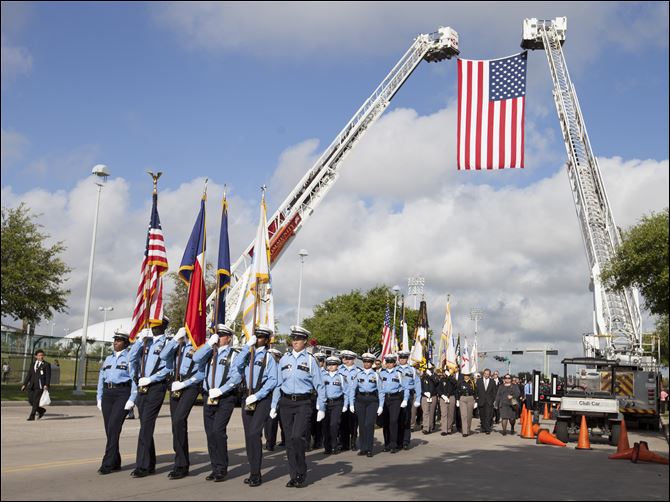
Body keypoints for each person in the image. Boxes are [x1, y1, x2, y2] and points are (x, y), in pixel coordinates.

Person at [271, 326, 325, 488]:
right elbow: (278, 384)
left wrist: (321, 406)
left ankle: (302, 471)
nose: (295, 341)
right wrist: (274, 405)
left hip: (303, 403)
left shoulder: (310, 360)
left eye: (299, 339)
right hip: (286, 403)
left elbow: (320, 385)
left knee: (297, 437)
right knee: (289, 441)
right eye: (293, 339)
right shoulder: (284, 359)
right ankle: (294, 475)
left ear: (305, 342)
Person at [193, 325, 242, 482]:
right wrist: (208, 344)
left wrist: (221, 390)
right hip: (209, 397)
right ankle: (215, 467)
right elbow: (195, 358)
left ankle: (222, 468)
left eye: (221, 335)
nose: (218, 337)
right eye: (217, 335)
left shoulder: (234, 355)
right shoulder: (209, 353)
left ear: (228, 337)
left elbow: (236, 378)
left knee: (218, 431)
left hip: (225, 398)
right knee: (210, 434)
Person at [128, 317, 173, 478]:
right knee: (144, 425)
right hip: (142, 387)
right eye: (152, 325)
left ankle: (142, 466)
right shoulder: (145, 342)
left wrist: (152, 379)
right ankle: (150, 462)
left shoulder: (167, 344)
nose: (153, 328)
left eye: (156, 325)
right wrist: (140, 340)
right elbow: (131, 359)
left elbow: (169, 368)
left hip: (156, 387)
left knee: (146, 424)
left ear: (163, 326)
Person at [159, 326, 207, 480]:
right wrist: (175, 339)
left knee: (179, 419)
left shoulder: (199, 347)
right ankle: (181, 463)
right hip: (175, 386)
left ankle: (181, 464)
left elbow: (201, 373)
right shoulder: (177, 345)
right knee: (176, 425)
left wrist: (185, 384)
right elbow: (163, 356)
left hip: (190, 386)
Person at [237, 326, 278, 488]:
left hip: (261, 398)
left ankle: (256, 473)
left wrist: (258, 395)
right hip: (247, 397)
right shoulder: (247, 354)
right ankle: (253, 470)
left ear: (266, 340)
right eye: (256, 336)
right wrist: (247, 346)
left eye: (261, 337)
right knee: (249, 436)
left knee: (254, 433)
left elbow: (273, 380)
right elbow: (236, 367)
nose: (258, 339)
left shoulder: (269, 357)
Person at [95, 329, 137, 474]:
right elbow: (101, 378)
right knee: (109, 429)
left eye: (118, 340)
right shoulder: (108, 358)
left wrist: (132, 399)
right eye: (115, 340)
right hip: (108, 394)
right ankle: (116, 461)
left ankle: (107, 463)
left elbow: (134, 380)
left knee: (113, 427)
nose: (115, 343)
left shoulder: (131, 357)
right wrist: (99, 396)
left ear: (126, 343)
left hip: (122, 394)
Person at [349, 352, 383, 457]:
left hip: (372, 400)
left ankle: (369, 448)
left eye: (369, 361)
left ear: (372, 363)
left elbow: (381, 391)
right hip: (360, 400)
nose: (366, 363)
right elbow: (352, 389)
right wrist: (351, 403)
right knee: (362, 425)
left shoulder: (376, 375)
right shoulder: (358, 374)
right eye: (365, 361)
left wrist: (381, 405)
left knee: (369, 424)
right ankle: (363, 448)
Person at [379, 353, 409, 453]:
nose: (389, 364)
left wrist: (405, 399)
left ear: (394, 363)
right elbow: (379, 389)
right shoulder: (381, 374)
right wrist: (380, 404)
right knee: (386, 422)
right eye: (387, 362)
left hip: (395, 398)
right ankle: (386, 444)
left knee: (393, 421)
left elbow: (405, 387)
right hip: (385, 399)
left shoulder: (399, 373)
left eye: (391, 362)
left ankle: (393, 444)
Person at [322, 356, 348, 455]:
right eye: (329, 364)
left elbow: (346, 392)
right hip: (326, 403)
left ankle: (334, 446)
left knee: (334, 425)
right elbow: (320, 391)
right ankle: (327, 447)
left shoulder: (341, 377)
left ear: (337, 365)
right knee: (325, 425)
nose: (331, 366)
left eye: (333, 364)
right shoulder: (323, 376)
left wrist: (345, 405)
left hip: (337, 403)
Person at [396, 351, 421, 449]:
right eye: (400, 358)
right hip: (397, 395)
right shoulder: (395, 369)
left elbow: (417, 384)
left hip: (409, 395)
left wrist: (418, 398)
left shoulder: (412, 370)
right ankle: (398, 441)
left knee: (406, 418)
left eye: (404, 358)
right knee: (398, 418)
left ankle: (406, 441)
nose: (402, 360)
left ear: (407, 359)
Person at [338, 350, 360, 451]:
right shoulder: (339, 370)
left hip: (354, 399)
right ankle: (344, 443)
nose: (346, 360)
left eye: (349, 358)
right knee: (343, 422)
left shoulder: (358, 371)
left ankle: (353, 442)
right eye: (345, 358)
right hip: (342, 399)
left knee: (353, 423)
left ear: (353, 359)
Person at [21, 349, 51, 421]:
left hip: (40, 386)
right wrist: (24, 384)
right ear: (36, 356)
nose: (41, 357)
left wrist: (46, 384)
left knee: (36, 401)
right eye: (39, 355)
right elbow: (29, 374)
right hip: (32, 385)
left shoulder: (46, 364)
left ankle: (32, 416)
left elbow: (48, 376)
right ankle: (41, 410)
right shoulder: (33, 364)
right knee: (31, 400)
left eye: (42, 355)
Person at [264, 347, 285, 451]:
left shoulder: (280, 368)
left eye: (273, 356)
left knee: (278, 421)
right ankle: (269, 441)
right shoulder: (268, 367)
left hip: (279, 397)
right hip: (268, 395)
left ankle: (274, 442)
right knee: (268, 421)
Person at [308, 352, 327, 451]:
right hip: (310, 397)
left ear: (323, 362)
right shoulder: (310, 371)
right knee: (308, 421)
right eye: (317, 361)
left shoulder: (326, 373)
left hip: (319, 398)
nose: (318, 363)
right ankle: (307, 443)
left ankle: (318, 441)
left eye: (320, 361)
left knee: (318, 422)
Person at [437, 368, 458, 435]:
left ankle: (449, 429)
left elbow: (455, 383)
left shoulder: (452, 380)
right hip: (443, 398)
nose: (444, 374)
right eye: (444, 372)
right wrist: (442, 395)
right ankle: (444, 430)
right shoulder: (441, 380)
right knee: (444, 414)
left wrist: (449, 376)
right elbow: (438, 389)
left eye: (446, 372)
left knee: (450, 414)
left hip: (451, 397)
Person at [475, 368, 497, 435]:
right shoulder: (478, 381)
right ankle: (483, 427)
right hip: (481, 401)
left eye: (488, 374)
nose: (486, 375)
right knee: (482, 415)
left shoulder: (492, 381)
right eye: (485, 374)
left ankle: (487, 429)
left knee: (488, 415)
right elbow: (476, 391)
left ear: (489, 374)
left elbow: (494, 392)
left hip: (489, 401)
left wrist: (493, 400)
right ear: (483, 374)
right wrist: (477, 399)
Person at [420, 364, 439, 434]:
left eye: (431, 369)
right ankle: (425, 428)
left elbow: (437, 382)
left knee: (431, 413)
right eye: (428, 369)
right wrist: (424, 392)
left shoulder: (435, 376)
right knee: (425, 412)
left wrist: (431, 375)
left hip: (433, 396)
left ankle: (430, 427)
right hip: (425, 397)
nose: (429, 370)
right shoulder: (423, 377)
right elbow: (420, 386)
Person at [457, 371, 476, 436]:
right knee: (464, 415)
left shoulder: (472, 382)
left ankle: (468, 430)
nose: (466, 376)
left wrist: (475, 400)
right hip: (463, 398)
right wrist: (457, 399)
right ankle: (464, 431)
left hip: (470, 398)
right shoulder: (460, 382)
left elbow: (475, 391)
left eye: (467, 375)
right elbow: (457, 391)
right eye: (465, 375)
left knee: (469, 416)